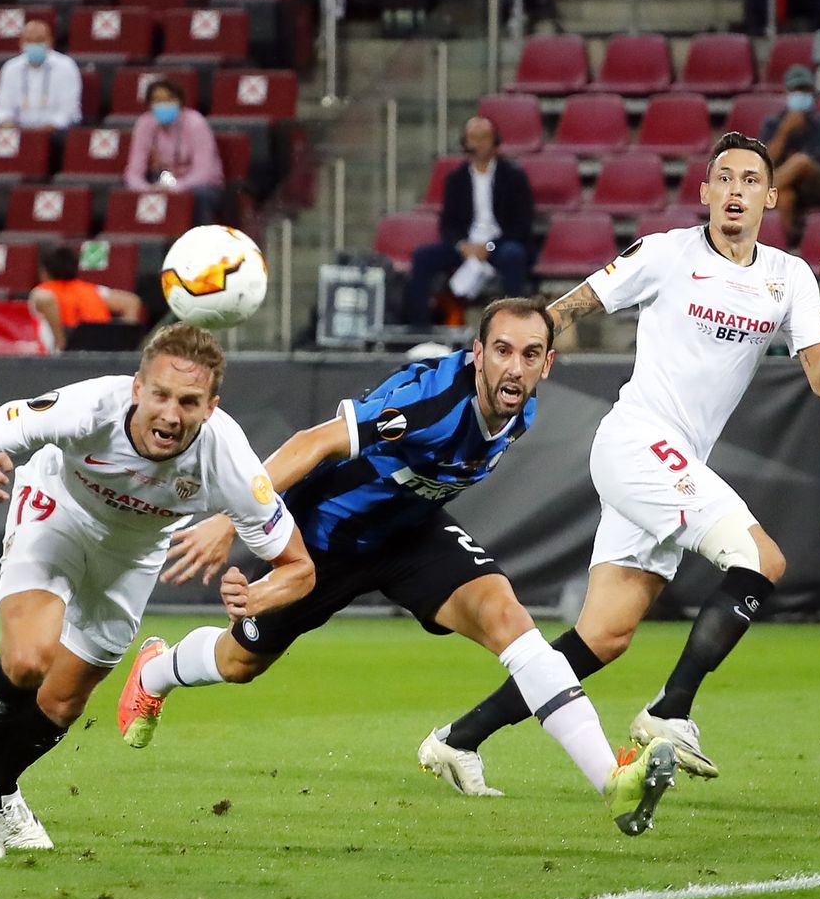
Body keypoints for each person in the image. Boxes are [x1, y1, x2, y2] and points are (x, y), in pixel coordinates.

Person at [115, 299, 681, 837]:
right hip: (326, 540)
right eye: (502, 351)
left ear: (547, 364)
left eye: (530, 355)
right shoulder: (429, 400)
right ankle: (155, 673)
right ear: (477, 354)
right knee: (239, 663)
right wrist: (231, 517)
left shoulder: (521, 407)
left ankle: (615, 781)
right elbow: (315, 442)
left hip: (411, 532)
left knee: (509, 618)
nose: (515, 367)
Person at [418, 132, 820, 794]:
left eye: (749, 180)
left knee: (603, 636)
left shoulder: (789, 278)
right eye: (724, 178)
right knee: (763, 561)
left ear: (771, 197)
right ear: (705, 192)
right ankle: (670, 711)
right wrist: (509, 363)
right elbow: (568, 309)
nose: (735, 190)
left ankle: (457, 740)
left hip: (673, 462)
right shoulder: (664, 254)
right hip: (636, 442)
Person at [0, 324, 317, 858]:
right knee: (30, 658)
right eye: (162, 395)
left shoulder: (231, 462)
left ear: (211, 406)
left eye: (190, 401)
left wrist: (260, 597)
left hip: (133, 554)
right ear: (136, 389)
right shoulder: (84, 409)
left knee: (63, 699)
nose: (172, 415)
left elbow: (300, 569)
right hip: (57, 513)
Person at [403, 116, 534, 328]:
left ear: (495, 142)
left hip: (499, 245)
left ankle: (515, 325)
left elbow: (521, 225)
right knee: (422, 257)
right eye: (473, 138)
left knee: (513, 255)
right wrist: (462, 245)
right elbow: (447, 224)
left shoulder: (514, 177)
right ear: (465, 143)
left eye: (483, 138)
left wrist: (489, 247)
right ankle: (418, 331)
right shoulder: (456, 179)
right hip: (466, 245)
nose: (478, 144)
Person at [761, 64, 820, 235]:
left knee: (801, 162)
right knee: (785, 198)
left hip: (817, 186)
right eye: (796, 90)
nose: (801, 95)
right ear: (787, 92)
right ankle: (784, 251)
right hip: (783, 186)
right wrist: (784, 131)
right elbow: (764, 164)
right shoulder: (773, 123)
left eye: (805, 90)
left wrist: (811, 169)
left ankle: (754, 196)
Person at [123, 78, 224, 225]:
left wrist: (176, 188)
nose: (163, 104)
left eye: (169, 99)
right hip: (160, 181)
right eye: (157, 100)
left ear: (180, 101)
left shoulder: (196, 123)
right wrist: (145, 189)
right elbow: (133, 171)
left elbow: (204, 172)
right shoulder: (145, 123)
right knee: (128, 195)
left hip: (200, 185)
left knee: (199, 197)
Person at [29, 245, 144, 353]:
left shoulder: (42, 292)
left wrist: (61, 343)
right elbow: (132, 302)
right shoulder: (93, 290)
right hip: (101, 351)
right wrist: (123, 341)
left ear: (43, 271)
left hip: (60, 358)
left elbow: (45, 299)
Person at [0, 20, 81, 132]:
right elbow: (3, 108)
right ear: (21, 43)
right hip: (19, 133)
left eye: (39, 40)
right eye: (29, 41)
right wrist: (7, 123)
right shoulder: (10, 68)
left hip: (56, 133)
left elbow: (68, 112)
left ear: (50, 41)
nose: (34, 45)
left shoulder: (66, 66)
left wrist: (44, 131)